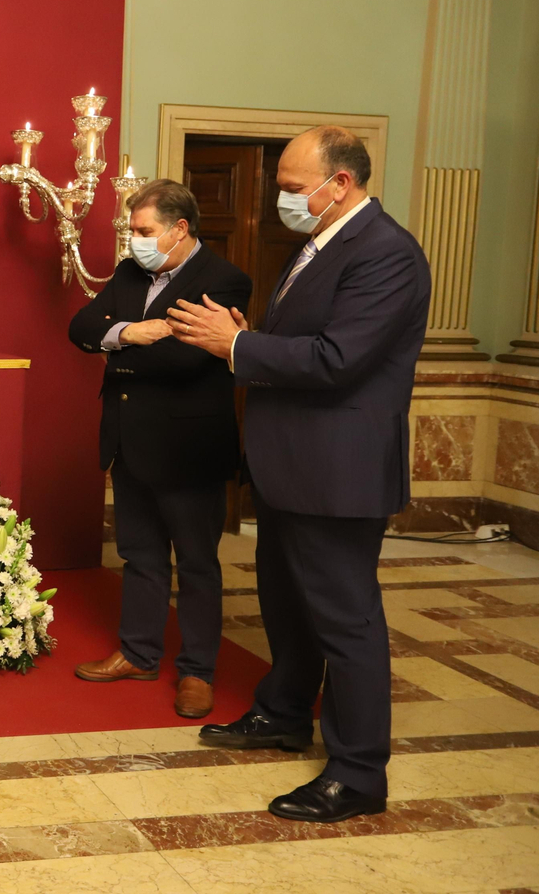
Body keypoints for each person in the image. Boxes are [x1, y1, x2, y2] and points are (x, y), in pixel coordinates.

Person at [169, 125, 429, 823]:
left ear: (338, 183)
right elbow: (304, 342)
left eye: (290, 187)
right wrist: (245, 333)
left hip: (338, 472)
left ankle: (358, 772)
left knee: (346, 623)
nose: (282, 199)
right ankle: (283, 713)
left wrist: (241, 345)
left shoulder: (387, 252)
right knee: (287, 607)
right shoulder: (321, 244)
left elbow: (339, 358)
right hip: (291, 467)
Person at [67, 180, 251, 720]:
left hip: (189, 446)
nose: (134, 241)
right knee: (139, 556)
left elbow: (190, 359)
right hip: (129, 438)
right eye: (131, 230)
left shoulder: (225, 279)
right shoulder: (129, 273)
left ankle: (197, 672)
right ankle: (139, 653)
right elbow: (80, 328)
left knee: (196, 564)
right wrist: (132, 331)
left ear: (179, 230)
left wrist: (115, 342)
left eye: (144, 231)